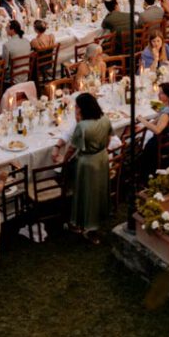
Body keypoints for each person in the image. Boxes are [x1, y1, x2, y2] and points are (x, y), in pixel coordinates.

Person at [63, 93, 112, 242]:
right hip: (102, 158)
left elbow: (72, 148)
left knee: (84, 193)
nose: (75, 108)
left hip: (88, 162)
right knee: (99, 190)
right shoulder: (105, 119)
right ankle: (98, 219)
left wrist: (64, 161)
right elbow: (109, 139)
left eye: (77, 106)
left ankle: (81, 223)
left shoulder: (82, 126)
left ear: (81, 108)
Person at [137, 83, 169, 179]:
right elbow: (160, 118)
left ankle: (144, 175)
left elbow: (158, 130)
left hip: (163, 144)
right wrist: (147, 123)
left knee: (138, 140)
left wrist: (142, 120)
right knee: (141, 131)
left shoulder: (167, 113)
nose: (158, 95)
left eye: (161, 93)